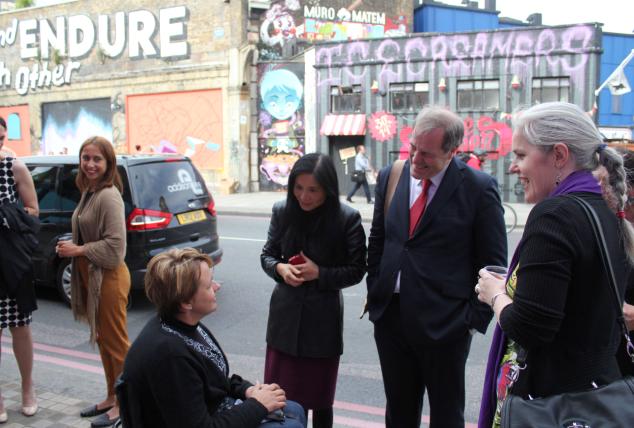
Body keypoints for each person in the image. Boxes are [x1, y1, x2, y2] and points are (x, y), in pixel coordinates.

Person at [477, 102, 634, 428]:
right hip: (598, 397)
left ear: (560, 155)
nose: (512, 168)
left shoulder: (555, 215)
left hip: (554, 404)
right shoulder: (604, 209)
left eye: (521, 155)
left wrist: (495, 294)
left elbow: (530, 327)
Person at [366, 106, 507, 428]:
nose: (415, 159)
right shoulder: (393, 175)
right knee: (399, 411)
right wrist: (376, 289)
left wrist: (471, 321)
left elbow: (494, 262)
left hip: (446, 324)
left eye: (426, 154)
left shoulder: (478, 188)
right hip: (391, 318)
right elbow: (379, 239)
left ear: (452, 152)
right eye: (413, 148)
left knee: (446, 414)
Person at [119, 248, 306, 428]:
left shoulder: (184, 325)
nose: (216, 287)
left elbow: (214, 380)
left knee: (295, 410)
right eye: (208, 286)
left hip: (215, 409)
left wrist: (246, 390)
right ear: (185, 303)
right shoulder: (169, 356)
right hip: (206, 419)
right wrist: (258, 405)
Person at [261, 153, 366, 428]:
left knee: (319, 400)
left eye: (312, 190)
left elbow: (357, 269)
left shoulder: (347, 219)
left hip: (322, 320)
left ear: (327, 190)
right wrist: (280, 270)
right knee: (280, 399)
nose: (304, 197)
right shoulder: (282, 211)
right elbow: (268, 255)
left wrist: (320, 273)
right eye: (298, 188)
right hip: (284, 318)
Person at [56, 136, 130, 428]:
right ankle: (112, 395)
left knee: (116, 344)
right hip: (94, 277)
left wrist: (78, 250)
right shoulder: (90, 192)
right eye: (85, 158)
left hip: (109, 278)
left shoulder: (108, 196)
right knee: (103, 340)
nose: (90, 164)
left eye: (97, 159)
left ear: (108, 163)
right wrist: (72, 244)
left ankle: (125, 403)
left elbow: (115, 249)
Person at [0, 116, 40, 423]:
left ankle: (28, 388)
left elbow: (32, 211)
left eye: (1, 138)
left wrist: (6, 214)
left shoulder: (13, 167)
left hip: (12, 259)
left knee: (20, 326)